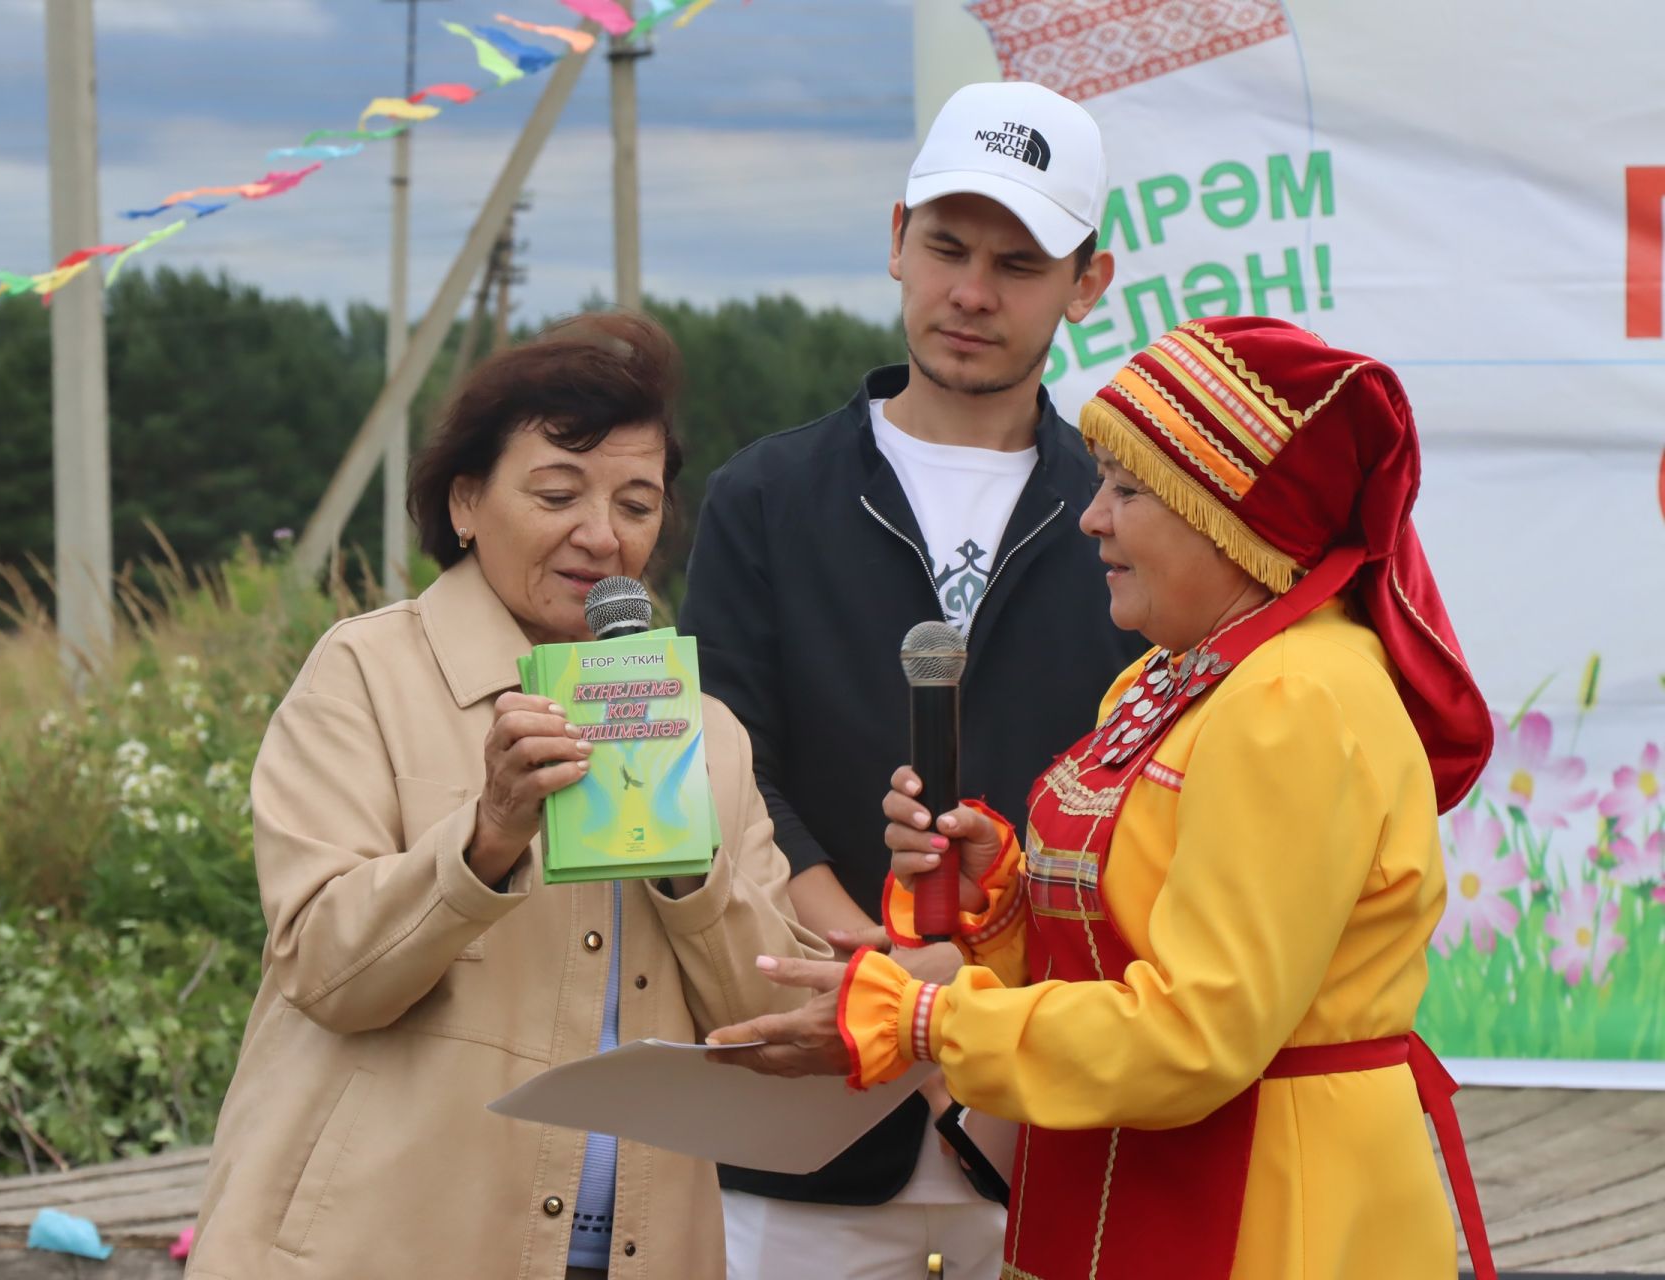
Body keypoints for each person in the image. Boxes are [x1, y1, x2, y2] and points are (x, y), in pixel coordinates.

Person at [706, 316, 1501, 1280]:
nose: (1093, 516)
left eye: (1128, 491)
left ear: (1229, 515)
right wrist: (1005, 896)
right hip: (1147, 1169)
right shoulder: (1171, 679)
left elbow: (1195, 1032)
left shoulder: (1295, 697)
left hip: (1269, 1201)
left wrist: (927, 1020)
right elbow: (1122, 941)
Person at [186, 312, 827, 1280]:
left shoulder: (709, 736)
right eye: (557, 492)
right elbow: (324, 964)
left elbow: (766, 1018)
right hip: (378, 1247)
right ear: (466, 502)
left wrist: (693, 864)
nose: (602, 536)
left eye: (639, 503)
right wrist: (482, 839)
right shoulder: (364, 672)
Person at [678, 81, 1145, 1276]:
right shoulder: (766, 499)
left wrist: (975, 981)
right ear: (896, 239)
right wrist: (873, 965)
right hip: (808, 1131)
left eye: (1019, 262)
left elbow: (1153, 793)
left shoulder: (1136, 515)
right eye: (945, 246)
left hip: (1058, 1129)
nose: (971, 293)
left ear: (1089, 283)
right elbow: (729, 770)